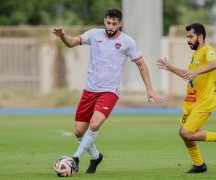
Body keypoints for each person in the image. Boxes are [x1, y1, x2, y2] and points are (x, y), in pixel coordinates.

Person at [52, 8, 163, 174]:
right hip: (90, 90)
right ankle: (96, 157)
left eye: (114, 23)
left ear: (120, 24)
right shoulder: (94, 35)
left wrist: (150, 89)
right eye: (108, 23)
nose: (110, 26)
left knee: (95, 124)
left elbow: (141, 64)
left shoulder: (128, 42)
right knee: (78, 131)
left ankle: (75, 159)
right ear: (105, 21)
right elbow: (71, 42)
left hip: (110, 91)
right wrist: (62, 36)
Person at [157, 23, 216, 173]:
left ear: (201, 37)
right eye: (187, 37)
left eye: (191, 37)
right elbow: (188, 75)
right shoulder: (194, 56)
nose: (188, 40)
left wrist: (196, 73)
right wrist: (170, 68)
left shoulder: (208, 51)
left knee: (186, 133)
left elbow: (214, 64)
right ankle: (199, 165)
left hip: (205, 101)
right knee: (184, 134)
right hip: (192, 101)